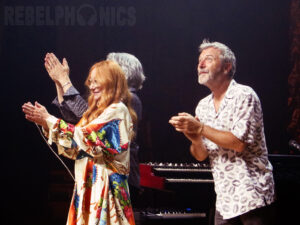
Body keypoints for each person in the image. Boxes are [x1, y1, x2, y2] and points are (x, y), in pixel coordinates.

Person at [169, 40, 276, 225]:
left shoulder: (244, 95)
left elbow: (238, 143)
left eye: (208, 60)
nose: (200, 65)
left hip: (252, 194)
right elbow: (201, 155)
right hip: (225, 198)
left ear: (227, 67)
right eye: (199, 61)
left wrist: (200, 128)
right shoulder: (203, 106)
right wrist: (195, 139)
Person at [22, 60, 137, 225]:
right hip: (88, 190)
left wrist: (49, 119)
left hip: (106, 192)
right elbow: (74, 140)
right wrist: (46, 120)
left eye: (96, 81)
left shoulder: (117, 110)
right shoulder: (97, 113)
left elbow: (84, 136)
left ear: (111, 82)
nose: (91, 86)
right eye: (90, 81)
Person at [44, 52, 145, 206]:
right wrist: (59, 83)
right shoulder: (106, 100)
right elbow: (77, 120)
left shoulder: (128, 100)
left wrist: (65, 81)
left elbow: (92, 126)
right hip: (97, 176)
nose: (93, 84)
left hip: (115, 178)